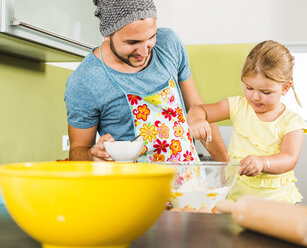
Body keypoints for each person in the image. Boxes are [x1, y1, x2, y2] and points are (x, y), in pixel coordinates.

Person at [64, 0, 229, 162]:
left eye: (151, 37)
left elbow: (197, 109)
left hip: (189, 182)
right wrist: (93, 155)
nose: (144, 52)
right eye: (132, 42)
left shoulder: (170, 43)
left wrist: (228, 168)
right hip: (136, 186)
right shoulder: (84, 81)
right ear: (107, 34)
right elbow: (78, 150)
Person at [187, 40, 307, 204]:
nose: (255, 97)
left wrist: (263, 162)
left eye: (265, 92)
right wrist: (197, 121)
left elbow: (289, 158)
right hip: (237, 200)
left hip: (277, 202)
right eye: (249, 88)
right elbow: (199, 110)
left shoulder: (291, 121)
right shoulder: (238, 106)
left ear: (286, 88)